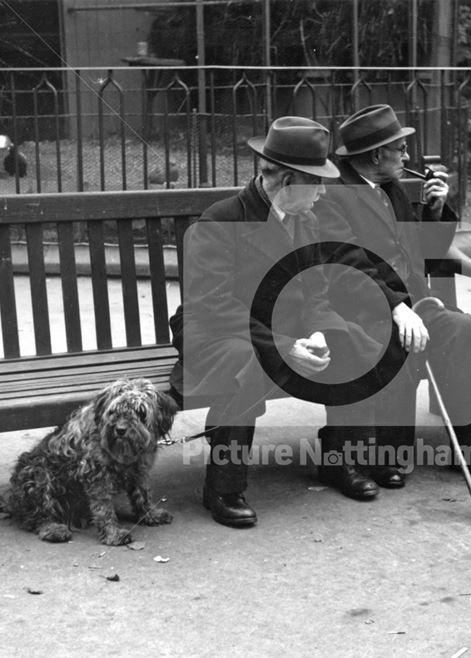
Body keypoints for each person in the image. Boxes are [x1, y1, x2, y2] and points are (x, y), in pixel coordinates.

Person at [168, 116, 396, 528]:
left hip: (282, 329)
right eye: (317, 182)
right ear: (289, 180)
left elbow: (317, 295)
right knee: (247, 360)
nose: (325, 191)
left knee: (354, 341)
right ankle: (223, 485)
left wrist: (321, 331)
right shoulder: (221, 221)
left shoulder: (305, 220)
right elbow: (213, 306)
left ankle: (338, 460)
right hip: (218, 331)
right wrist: (286, 344)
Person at [322, 104, 471, 487]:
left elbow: (428, 256)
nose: (405, 156)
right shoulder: (334, 197)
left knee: (464, 328)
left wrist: (434, 210)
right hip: (361, 311)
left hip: (415, 306)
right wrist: (396, 307)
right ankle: (376, 453)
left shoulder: (392, 190)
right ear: (375, 155)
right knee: (395, 339)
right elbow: (346, 268)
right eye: (400, 149)